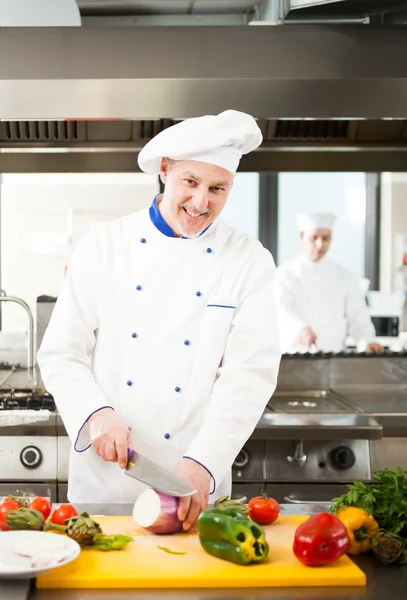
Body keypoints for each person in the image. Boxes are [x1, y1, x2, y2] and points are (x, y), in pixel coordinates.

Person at [37, 110, 281, 531]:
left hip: (194, 482)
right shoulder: (104, 245)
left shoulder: (249, 261)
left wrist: (203, 463)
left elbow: (249, 375)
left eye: (217, 188)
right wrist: (95, 412)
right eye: (191, 182)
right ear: (165, 171)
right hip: (106, 483)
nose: (201, 202)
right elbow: (62, 351)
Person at [274, 211, 384, 354]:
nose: (320, 244)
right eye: (314, 238)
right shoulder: (284, 275)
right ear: (301, 237)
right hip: (293, 357)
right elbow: (280, 312)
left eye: (325, 238)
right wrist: (300, 329)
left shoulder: (345, 277)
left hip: (333, 359)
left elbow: (358, 320)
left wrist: (368, 341)